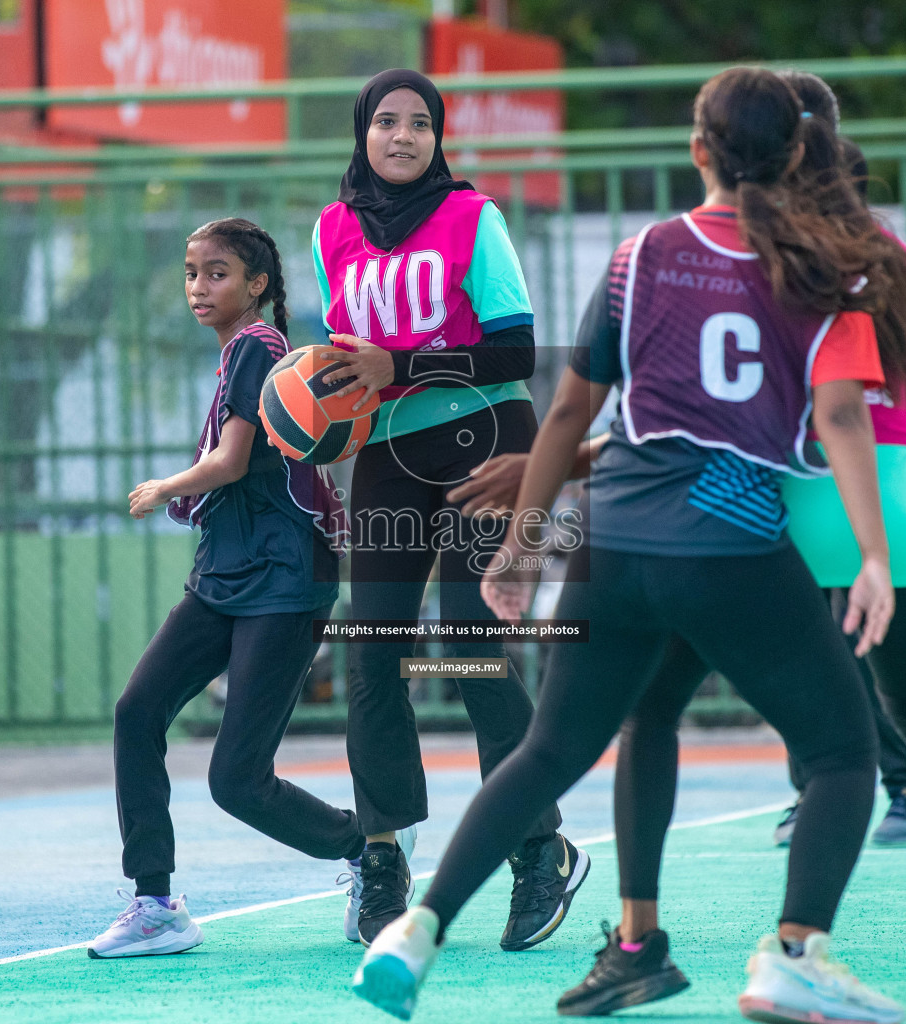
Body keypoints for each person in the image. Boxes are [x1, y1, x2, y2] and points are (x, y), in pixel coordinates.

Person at [355, 67, 906, 1024]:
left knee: (551, 748)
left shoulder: (639, 256)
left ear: (697, 151)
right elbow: (844, 416)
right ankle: (797, 956)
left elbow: (568, 409)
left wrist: (525, 543)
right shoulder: (814, 263)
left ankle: (421, 928)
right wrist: (874, 558)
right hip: (730, 542)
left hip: (614, 537)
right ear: (794, 155)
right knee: (842, 750)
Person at [311, 68, 587, 950]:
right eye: (386, 122)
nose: (401, 136)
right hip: (388, 455)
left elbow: (517, 348)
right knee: (373, 651)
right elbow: (350, 362)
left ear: (439, 137)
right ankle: (383, 853)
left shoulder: (475, 218)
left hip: (488, 444)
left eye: (419, 124)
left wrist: (405, 366)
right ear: (361, 132)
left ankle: (538, 846)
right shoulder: (331, 229)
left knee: (472, 645)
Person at [87, 218, 360, 958]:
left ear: (257, 285)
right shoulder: (238, 356)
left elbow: (232, 462)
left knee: (237, 779)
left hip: (285, 578)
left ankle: (367, 851)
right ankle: (154, 903)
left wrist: (163, 487)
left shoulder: (259, 348)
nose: (199, 287)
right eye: (191, 273)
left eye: (217, 274)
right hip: (225, 572)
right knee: (137, 712)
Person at [774, 72, 906, 846]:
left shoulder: (851, 263)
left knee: (841, 656)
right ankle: (865, 788)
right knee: (840, 658)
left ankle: (898, 786)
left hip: (841, 482)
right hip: (837, 480)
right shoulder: (877, 259)